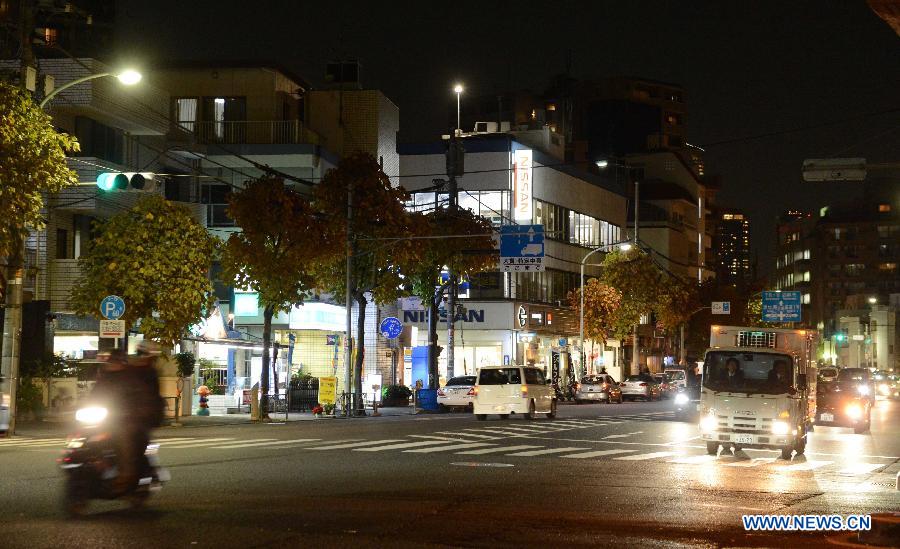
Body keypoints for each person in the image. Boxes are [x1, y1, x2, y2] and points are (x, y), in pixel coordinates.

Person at [91, 342, 164, 496]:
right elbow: (96, 394)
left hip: (137, 416)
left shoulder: (137, 375)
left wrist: (140, 411)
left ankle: (126, 474)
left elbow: (144, 396)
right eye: (112, 361)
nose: (114, 364)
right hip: (113, 415)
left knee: (125, 435)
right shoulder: (107, 376)